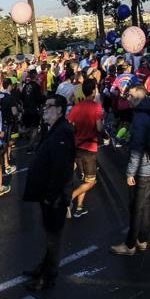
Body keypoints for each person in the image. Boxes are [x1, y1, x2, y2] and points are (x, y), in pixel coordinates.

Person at [23, 94, 75, 290]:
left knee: (53, 238)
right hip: (49, 195)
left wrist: (50, 196)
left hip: (55, 197)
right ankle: (43, 268)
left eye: (49, 106)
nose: (44, 109)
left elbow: (60, 168)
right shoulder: (53, 128)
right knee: (49, 236)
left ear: (59, 110)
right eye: (44, 105)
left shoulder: (62, 132)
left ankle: (47, 278)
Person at [112, 85, 150, 255]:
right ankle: (142, 239)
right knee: (145, 204)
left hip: (142, 168)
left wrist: (130, 172)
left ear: (139, 97)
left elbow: (137, 148)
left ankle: (130, 245)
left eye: (131, 96)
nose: (127, 99)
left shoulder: (140, 117)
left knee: (136, 207)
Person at [66, 79, 104, 217]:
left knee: (84, 179)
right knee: (91, 181)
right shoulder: (96, 107)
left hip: (77, 147)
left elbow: (69, 125)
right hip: (90, 148)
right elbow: (99, 128)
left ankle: (80, 208)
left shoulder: (76, 107)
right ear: (93, 91)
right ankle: (71, 197)